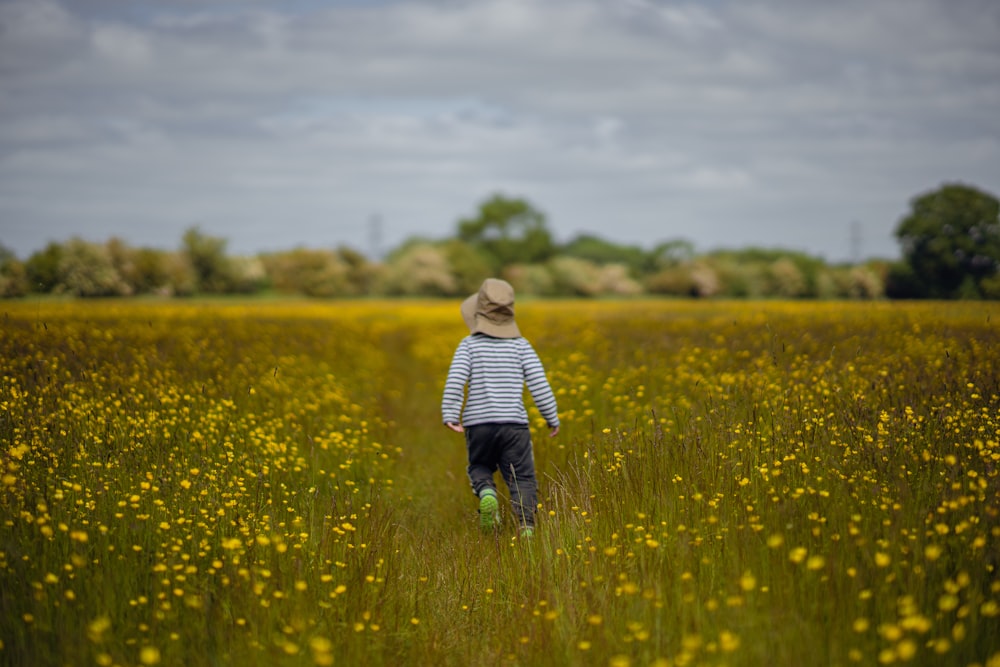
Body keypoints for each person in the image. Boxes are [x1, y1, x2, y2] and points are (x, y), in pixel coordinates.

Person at [442, 278, 560, 538]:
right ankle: (526, 526)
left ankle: (486, 492)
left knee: (480, 465)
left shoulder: (469, 345)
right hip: (514, 425)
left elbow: (456, 379)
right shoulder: (521, 346)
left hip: (478, 423)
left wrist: (450, 413)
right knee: (522, 477)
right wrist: (551, 416)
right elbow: (539, 384)